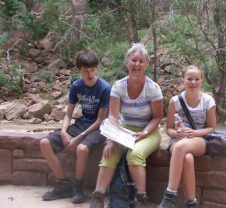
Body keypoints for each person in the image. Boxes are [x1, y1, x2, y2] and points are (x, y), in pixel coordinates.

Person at [89, 43, 163, 208]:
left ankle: (141, 199)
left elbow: (158, 117)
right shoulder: (118, 86)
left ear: (146, 65)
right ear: (127, 62)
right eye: (133, 60)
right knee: (110, 152)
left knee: (135, 155)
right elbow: (113, 115)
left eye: (141, 61)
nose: (137, 65)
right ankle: (98, 197)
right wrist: (111, 139)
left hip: (149, 131)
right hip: (124, 129)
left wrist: (144, 133)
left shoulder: (153, 88)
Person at [40, 50, 111, 204]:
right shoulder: (76, 86)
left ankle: (78, 185)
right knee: (45, 143)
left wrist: (79, 137)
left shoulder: (105, 88)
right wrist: (64, 132)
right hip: (81, 124)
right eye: (86, 71)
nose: (90, 74)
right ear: (79, 70)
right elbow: (68, 114)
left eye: (92, 70)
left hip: (99, 128)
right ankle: (64, 184)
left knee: (81, 148)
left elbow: (100, 120)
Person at [157, 65, 217, 208]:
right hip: (178, 140)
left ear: (201, 80)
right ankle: (191, 203)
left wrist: (195, 133)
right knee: (187, 158)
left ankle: (169, 195)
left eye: (197, 79)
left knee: (181, 147)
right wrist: (175, 133)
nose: (193, 83)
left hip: (199, 140)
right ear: (183, 80)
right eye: (189, 79)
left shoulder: (208, 101)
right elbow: (169, 129)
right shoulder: (175, 101)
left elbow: (212, 128)